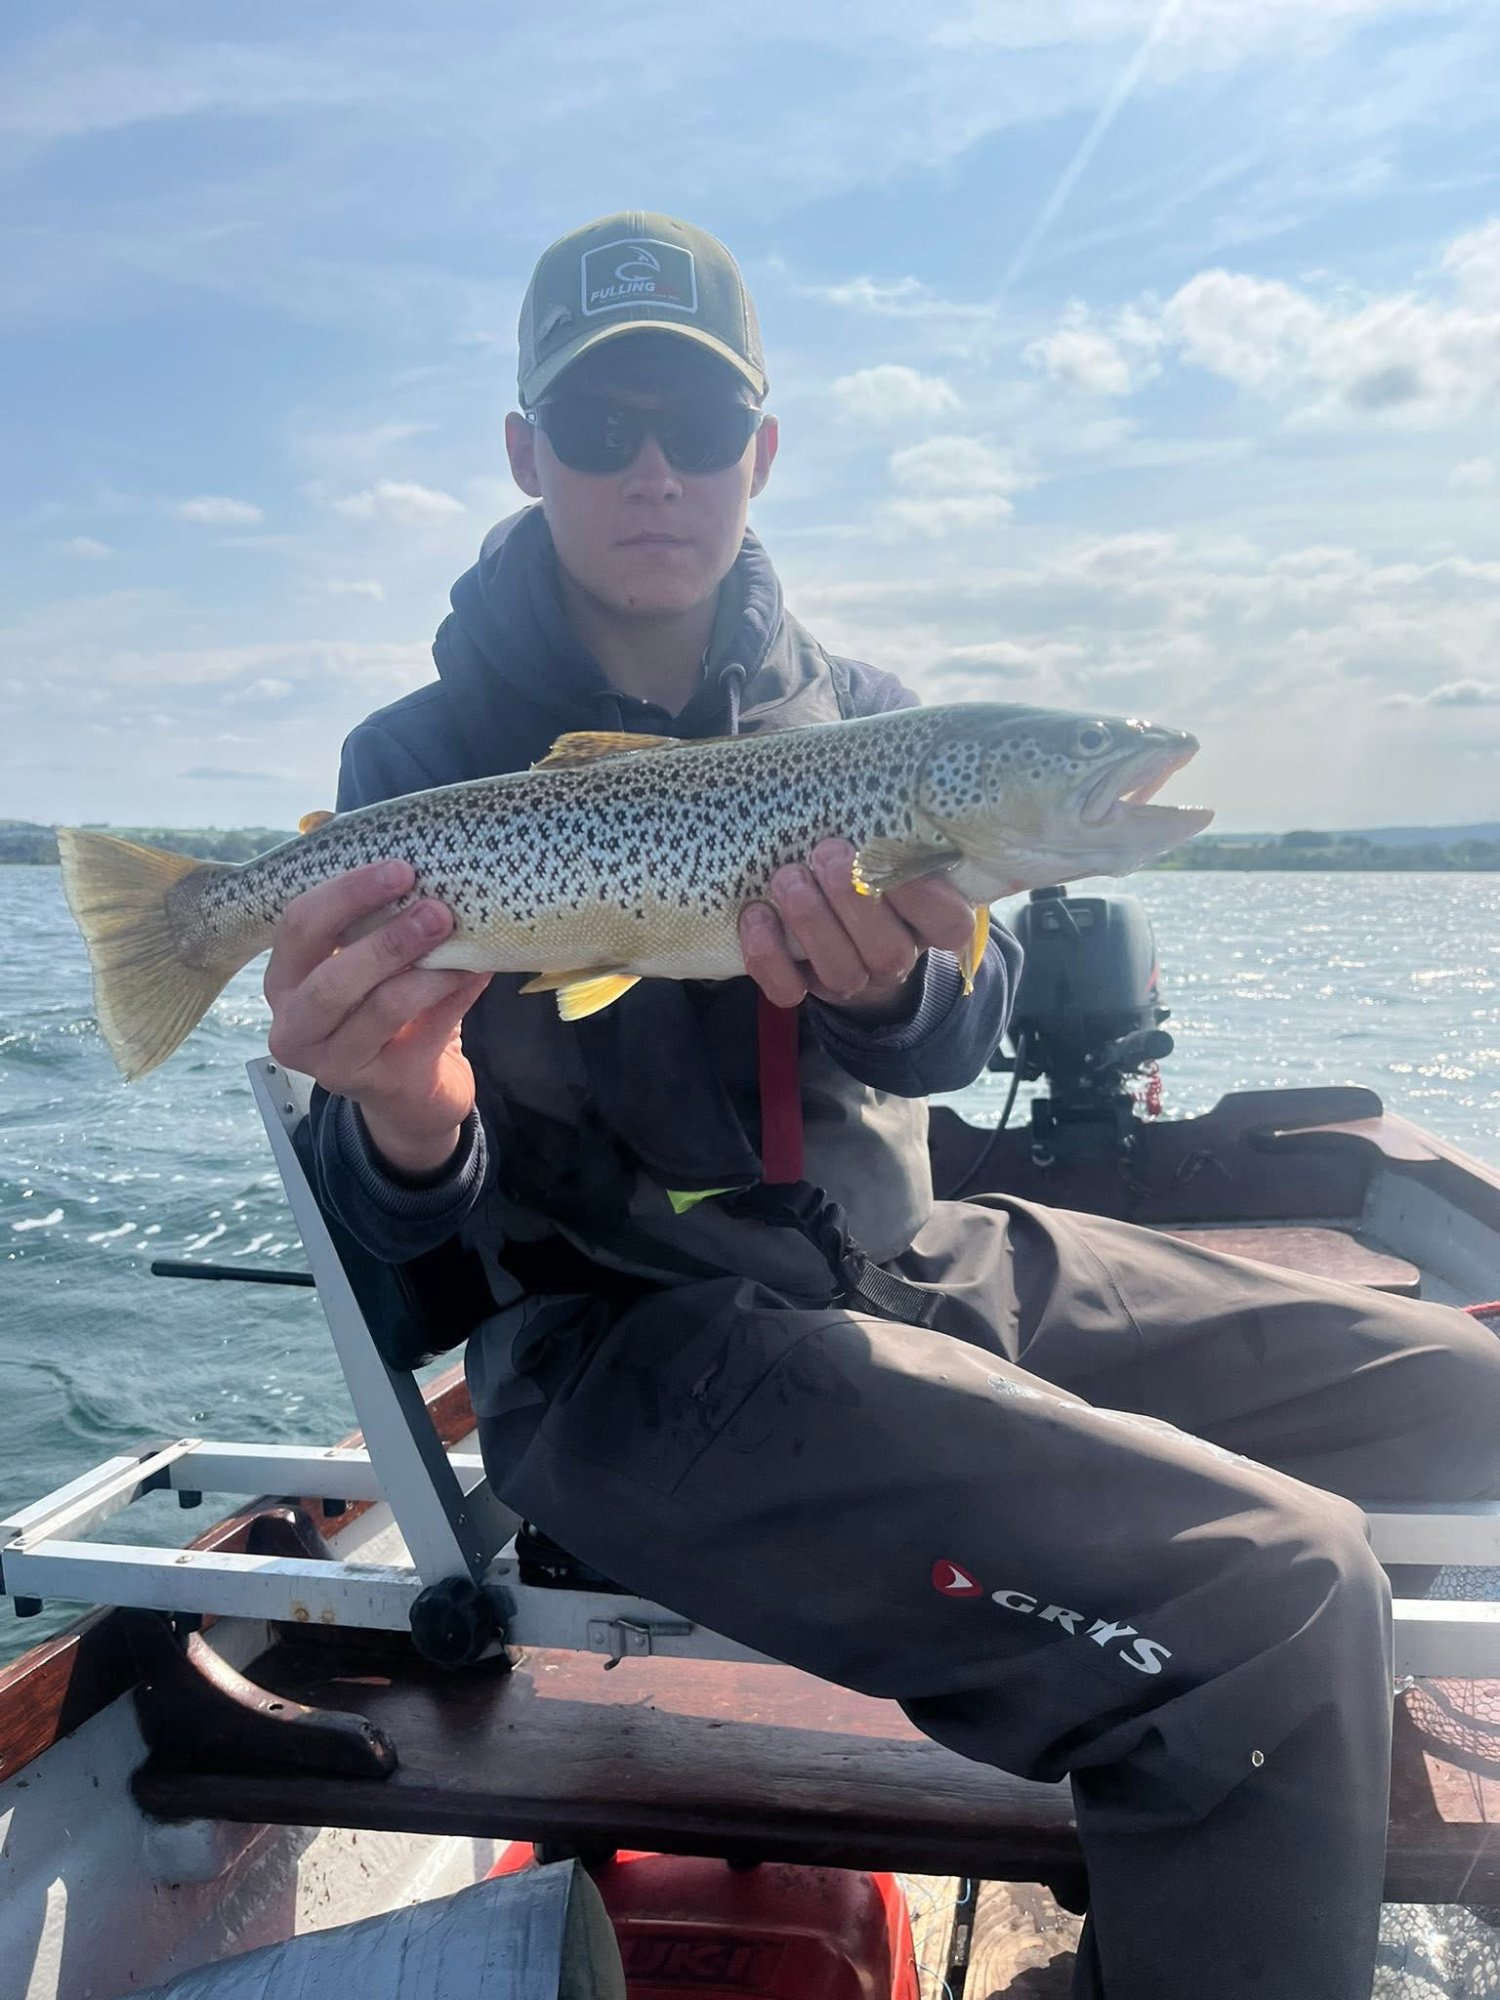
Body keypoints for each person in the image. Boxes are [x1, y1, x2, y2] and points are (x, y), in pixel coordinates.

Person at [266, 212, 1500, 2000]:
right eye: (600, 425)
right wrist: (400, 1108)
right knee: (1282, 1596)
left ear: (761, 452)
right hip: (622, 1353)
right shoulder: (415, 770)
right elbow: (407, 1246)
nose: (654, 468)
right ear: (527, 455)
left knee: (1469, 1396)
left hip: (906, 1255)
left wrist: (897, 978)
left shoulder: (870, 723)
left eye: (695, 423)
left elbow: (963, 1018)